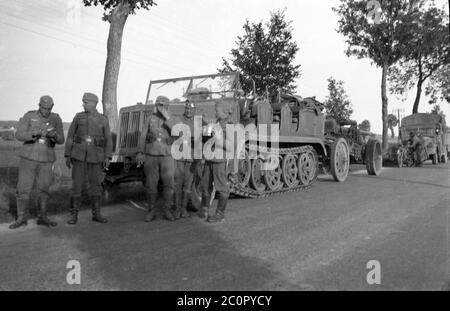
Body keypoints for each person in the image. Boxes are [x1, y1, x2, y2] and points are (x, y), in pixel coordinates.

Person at [10, 95, 64, 229]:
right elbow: (18, 135)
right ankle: (21, 218)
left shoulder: (56, 118)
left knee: (44, 190)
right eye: (44, 108)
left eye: (49, 108)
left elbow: (61, 139)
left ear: (52, 107)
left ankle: (43, 217)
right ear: (39, 105)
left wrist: (55, 136)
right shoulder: (29, 116)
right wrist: (33, 134)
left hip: (46, 160)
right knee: (23, 189)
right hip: (28, 158)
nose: (46, 111)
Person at [65, 92, 113, 224]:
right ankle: (73, 215)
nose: (83, 104)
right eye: (83, 102)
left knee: (96, 186)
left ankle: (96, 214)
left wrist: (108, 156)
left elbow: (108, 139)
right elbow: (70, 136)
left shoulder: (103, 119)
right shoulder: (78, 117)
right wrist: (68, 154)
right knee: (77, 186)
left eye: (85, 102)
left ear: (93, 103)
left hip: (96, 157)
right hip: (79, 157)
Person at [136, 96, 179, 222]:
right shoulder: (150, 118)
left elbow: (178, 132)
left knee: (169, 184)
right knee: (151, 185)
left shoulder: (173, 119)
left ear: (167, 106)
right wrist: (140, 152)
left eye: (161, 105)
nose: (158, 107)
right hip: (151, 155)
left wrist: (167, 118)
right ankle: (151, 210)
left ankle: (167, 210)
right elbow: (143, 135)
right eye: (157, 104)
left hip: (167, 155)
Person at [199, 101, 234, 223]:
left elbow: (231, 146)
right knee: (205, 185)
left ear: (224, 111)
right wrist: (204, 132)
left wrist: (219, 140)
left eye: (217, 110)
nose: (215, 112)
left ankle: (220, 214)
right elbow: (206, 138)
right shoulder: (216, 123)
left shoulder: (230, 125)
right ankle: (204, 209)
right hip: (210, 158)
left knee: (222, 187)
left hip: (220, 160)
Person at [172, 100, 199, 219]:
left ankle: (183, 209)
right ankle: (177, 209)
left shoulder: (198, 121)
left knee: (188, 184)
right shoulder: (179, 120)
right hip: (180, 157)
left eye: (191, 109)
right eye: (187, 108)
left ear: (194, 110)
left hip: (191, 158)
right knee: (178, 183)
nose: (188, 111)